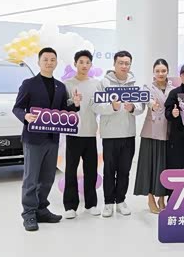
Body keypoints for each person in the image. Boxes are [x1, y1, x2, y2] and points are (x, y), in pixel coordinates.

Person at [13, 47, 81, 232]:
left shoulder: (60, 86)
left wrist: (75, 105)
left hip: (52, 139)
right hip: (33, 139)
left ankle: (41, 209)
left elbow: (63, 112)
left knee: (48, 177)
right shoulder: (29, 84)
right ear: (39, 62)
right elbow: (17, 108)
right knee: (31, 178)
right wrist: (25, 116)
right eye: (46, 59)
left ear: (56, 62)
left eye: (52, 60)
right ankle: (29, 213)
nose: (49, 62)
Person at [93, 50, 145, 218]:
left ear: (130, 65)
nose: (124, 66)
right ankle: (108, 203)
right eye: (120, 63)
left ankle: (121, 200)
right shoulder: (104, 83)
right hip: (109, 135)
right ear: (114, 64)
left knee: (125, 170)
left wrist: (133, 108)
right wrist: (112, 107)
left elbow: (141, 107)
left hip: (128, 134)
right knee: (109, 170)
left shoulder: (134, 84)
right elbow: (95, 106)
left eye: (127, 63)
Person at [62, 50, 101, 219]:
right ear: (75, 63)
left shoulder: (96, 84)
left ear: (91, 64)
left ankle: (91, 204)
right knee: (70, 170)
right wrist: (74, 102)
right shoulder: (67, 84)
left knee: (91, 170)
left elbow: (101, 106)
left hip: (90, 132)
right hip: (73, 133)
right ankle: (70, 206)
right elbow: (63, 108)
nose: (84, 65)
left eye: (87, 62)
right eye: (81, 62)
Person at [134, 59, 176, 214]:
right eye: (157, 71)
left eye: (163, 71)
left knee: (164, 166)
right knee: (149, 166)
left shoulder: (173, 89)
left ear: (167, 71)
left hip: (167, 132)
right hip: (151, 132)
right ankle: (151, 198)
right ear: (153, 72)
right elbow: (147, 100)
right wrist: (152, 104)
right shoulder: (147, 88)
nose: (160, 73)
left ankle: (162, 198)